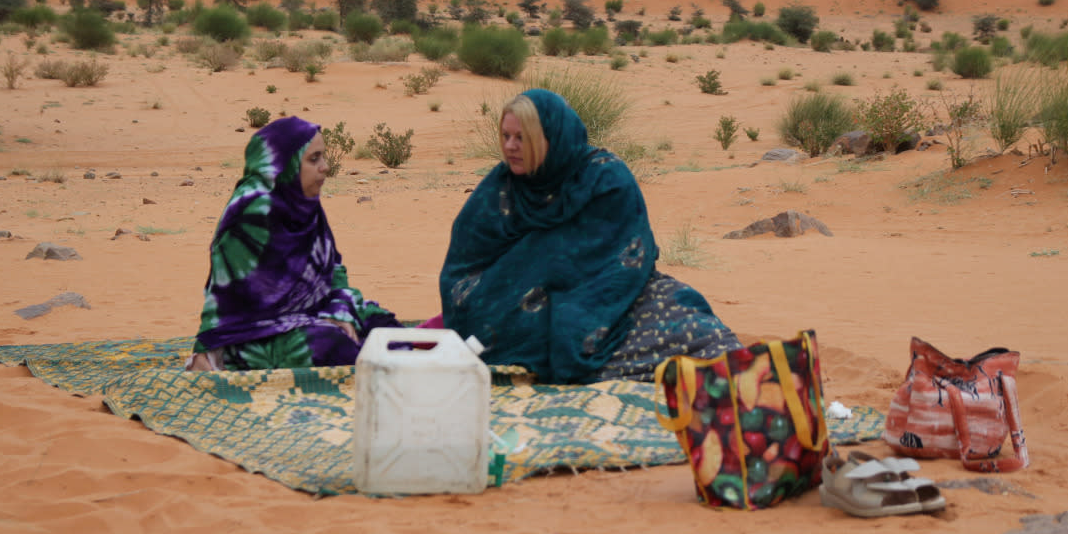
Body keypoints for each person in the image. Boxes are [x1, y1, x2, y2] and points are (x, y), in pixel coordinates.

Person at [437, 89, 742, 384]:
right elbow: (464, 266)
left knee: (697, 327)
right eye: (506, 136)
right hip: (518, 299)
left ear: (551, 139)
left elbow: (628, 254)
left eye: (522, 138)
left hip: (612, 290)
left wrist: (561, 276)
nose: (510, 147)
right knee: (487, 327)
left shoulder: (605, 178)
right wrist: (529, 277)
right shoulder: (500, 187)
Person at [188, 116, 399, 372]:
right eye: (314, 159)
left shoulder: (305, 206)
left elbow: (332, 269)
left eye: (323, 157)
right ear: (282, 164)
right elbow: (227, 297)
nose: (325, 167)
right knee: (332, 345)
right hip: (253, 334)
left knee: (386, 329)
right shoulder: (251, 212)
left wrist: (338, 310)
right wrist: (205, 349)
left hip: (311, 314)